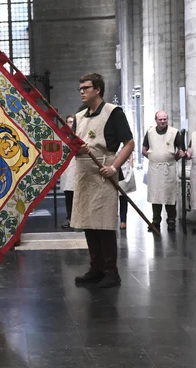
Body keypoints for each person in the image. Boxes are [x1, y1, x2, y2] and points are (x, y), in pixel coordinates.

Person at [71, 73, 134, 288]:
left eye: (86, 88)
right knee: (88, 222)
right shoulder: (79, 116)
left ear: (98, 89)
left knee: (104, 224)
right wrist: (76, 148)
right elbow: (71, 145)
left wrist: (114, 166)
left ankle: (111, 272)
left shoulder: (113, 113)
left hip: (103, 171)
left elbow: (129, 143)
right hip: (83, 173)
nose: (81, 91)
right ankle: (96, 268)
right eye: (80, 88)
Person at [141, 110, 184, 232]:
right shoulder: (149, 132)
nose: (163, 121)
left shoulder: (174, 132)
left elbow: (180, 151)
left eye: (165, 119)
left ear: (167, 119)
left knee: (170, 196)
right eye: (160, 119)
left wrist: (174, 158)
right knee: (156, 196)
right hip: (154, 169)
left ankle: (171, 221)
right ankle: (156, 221)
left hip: (168, 168)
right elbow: (144, 150)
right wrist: (154, 157)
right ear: (156, 120)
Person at [59, 115, 76, 228]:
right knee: (68, 194)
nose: (71, 124)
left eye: (73, 122)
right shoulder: (63, 137)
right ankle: (69, 217)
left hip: (77, 167)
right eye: (69, 122)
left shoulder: (79, 135)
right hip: (67, 168)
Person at [118, 153, 135, 230]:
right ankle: (112, 220)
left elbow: (130, 151)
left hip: (123, 167)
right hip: (110, 165)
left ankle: (123, 221)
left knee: (123, 197)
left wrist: (131, 163)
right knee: (110, 198)